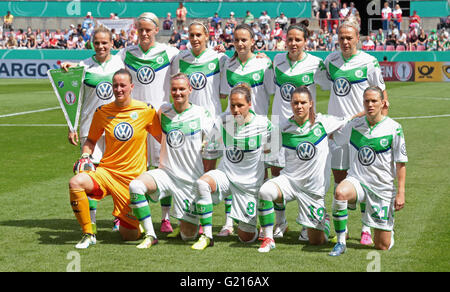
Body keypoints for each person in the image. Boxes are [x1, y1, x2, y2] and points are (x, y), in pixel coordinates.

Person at [258, 86, 361, 252]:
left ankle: (324, 221)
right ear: (290, 104)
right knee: (265, 191)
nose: (299, 106)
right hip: (289, 182)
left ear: (311, 104)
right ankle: (269, 238)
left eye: (303, 103)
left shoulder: (324, 123)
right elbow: (266, 149)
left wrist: (374, 110)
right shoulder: (284, 127)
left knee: (316, 242)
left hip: (313, 190)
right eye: (295, 103)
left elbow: (350, 119)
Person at [68, 69, 162, 249]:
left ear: (131, 87)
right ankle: (88, 233)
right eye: (115, 86)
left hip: (132, 180)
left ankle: (133, 221)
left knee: (129, 236)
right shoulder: (102, 111)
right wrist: (86, 155)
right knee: (76, 183)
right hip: (107, 173)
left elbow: (162, 140)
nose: (119, 89)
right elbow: (91, 140)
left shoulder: (146, 110)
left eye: (123, 85)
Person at [129, 73, 215, 249]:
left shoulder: (201, 113)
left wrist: (207, 142)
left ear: (190, 90)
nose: (178, 93)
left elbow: (212, 139)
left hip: (191, 179)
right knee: (135, 186)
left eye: (182, 89)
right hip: (166, 173)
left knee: (187, 236)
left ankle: (187, 224)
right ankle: (150, 235)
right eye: (174, 89)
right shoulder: (164, 111)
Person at [323, 17, 388, 245]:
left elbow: (382, 99)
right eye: (341, 38)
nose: (345, 41)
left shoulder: (369, 62)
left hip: (361, 130)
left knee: (363, 179)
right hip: (337, 131)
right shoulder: (330, 61)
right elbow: (315, 78)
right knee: (340, 181)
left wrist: (372, 124)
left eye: (349, 37)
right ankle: (341, 230)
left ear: (357, 39)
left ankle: (366, 227)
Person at [191, 83, 275, 249]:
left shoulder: (264, 124)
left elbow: (273, 160)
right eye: (232, 105)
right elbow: (210, 152)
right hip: (226, 177)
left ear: (250, 104)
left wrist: (264, 190)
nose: (236, 110)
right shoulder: (222, 122)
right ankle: (207, 236)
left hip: (249, 186)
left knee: (246, 238)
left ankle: (254, 227)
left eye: (240, 105)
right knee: (202, 183)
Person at [117, 12, 180, 233]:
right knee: (130, 169)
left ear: (156, 30)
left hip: (160, 121)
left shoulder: (170, 53)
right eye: (140, 29)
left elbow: (193, 63)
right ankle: (127, 215)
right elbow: (105, 65)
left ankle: (164, 218)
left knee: (164, 168)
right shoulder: (125, 54)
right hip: (133, 121)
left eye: (148, 30)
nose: (144, 33)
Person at [61, 27, 126, 232]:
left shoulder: (119, 63)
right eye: (96, 43)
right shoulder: (83, 67)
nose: (100, 46)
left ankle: (118, 218)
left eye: (104, 42)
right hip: (90, 128)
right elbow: (74, 99)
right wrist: (72, 127)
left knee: (116, 173)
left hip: (116, 128)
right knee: (88, 172)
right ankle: (93, 221)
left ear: (111, 43)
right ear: (91, 43)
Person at [329, 86, 407, 256]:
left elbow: (401, 162)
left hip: (382, 188)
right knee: (340, 192)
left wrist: (401, 192)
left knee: (382, 246)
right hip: (357, 180)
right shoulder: (354, 125)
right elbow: (333, 135)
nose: (370, 104)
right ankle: (341, 241)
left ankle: (388, 231)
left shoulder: (394, 128)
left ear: (383, 103)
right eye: (366, 101)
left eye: (374, 101)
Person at [171, 22, 228, 170]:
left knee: (209, 169)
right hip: (188, 120)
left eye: (198, 35)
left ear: (206, 36)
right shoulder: (181, 58)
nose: (195, 38)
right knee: (188, 167)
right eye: (192, 35)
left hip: (213, 119)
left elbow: (223, 94)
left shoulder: (219, 58)